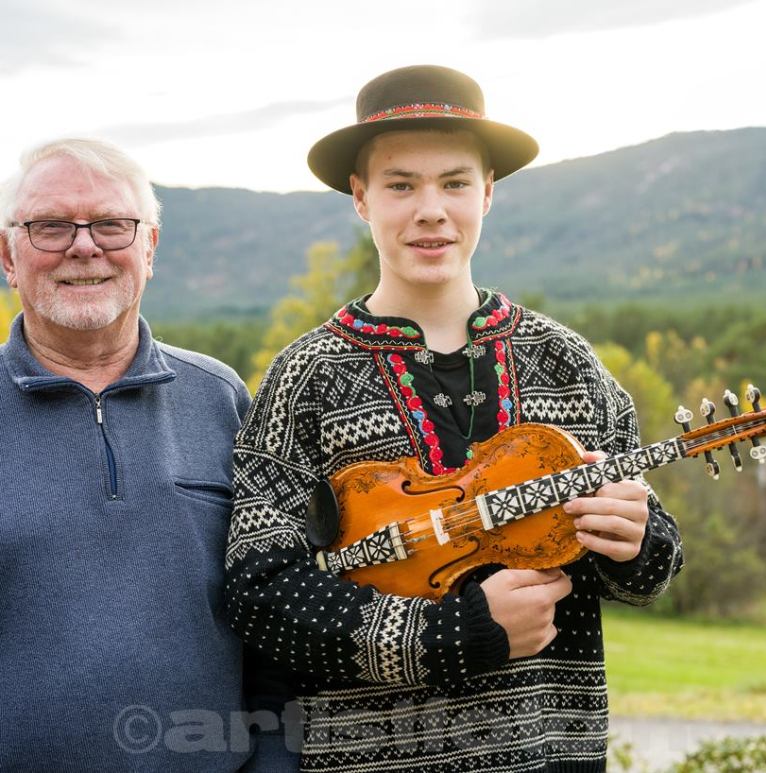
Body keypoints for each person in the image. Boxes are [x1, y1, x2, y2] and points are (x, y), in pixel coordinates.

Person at [225, 65, 683, 772]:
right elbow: (262, 588)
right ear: (360, 197)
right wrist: (451, 632)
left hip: (549, 755)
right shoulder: (306, 375)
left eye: (455, 183)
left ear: (489, 193)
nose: (431, 209)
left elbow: (647, 570)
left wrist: (640, 540)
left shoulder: (567, 362)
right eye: (401, 184)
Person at [0, 139, 293, 772]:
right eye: (50, 226)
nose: (84, 246)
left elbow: (272, 616)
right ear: (8, 256)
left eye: (111, 224)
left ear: (150, 247)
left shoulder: (222, 399)